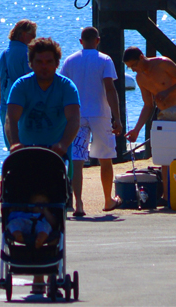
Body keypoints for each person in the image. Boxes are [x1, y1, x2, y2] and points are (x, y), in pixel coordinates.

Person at [59, 27, 123, 217]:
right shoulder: (104, 59)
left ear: (81, 41)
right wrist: (117, 118)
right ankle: (107, 200)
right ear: (98, 40)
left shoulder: (70, 60)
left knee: (77, 160)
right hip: (100, 114)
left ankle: (78, 203)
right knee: (105, 158)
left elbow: (63, 86)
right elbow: (110, 89)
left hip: (77, 114)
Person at [6, 37, 81, 159]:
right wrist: (14, 143)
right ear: (31, 64)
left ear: (57, 64)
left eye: (49, 62)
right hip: (26, 151)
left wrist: (63, 143)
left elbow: (74, 119)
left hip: (57, 153)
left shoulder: (67, 87)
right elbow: (11, 119)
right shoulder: (21, 85)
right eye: (39, 62)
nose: (44, 66)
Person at [122, 48, 176, 142]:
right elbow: (148, 105)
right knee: (163, 149)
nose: (133, 70)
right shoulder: (140, 78)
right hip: (163, 114)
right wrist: (136, 130)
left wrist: (167, 92)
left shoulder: (163, 63)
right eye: (130, 67)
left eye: (134, 65)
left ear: (141, 57)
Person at [0, 20, 36, 147]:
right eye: (32, 35)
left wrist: (4, 106)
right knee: (29, 149)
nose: (34, 39)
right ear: (23, 34)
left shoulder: (2, 55)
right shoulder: (27, 54)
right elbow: (32, 82)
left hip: (5, 108)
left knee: (13, 149)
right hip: (24, 109)